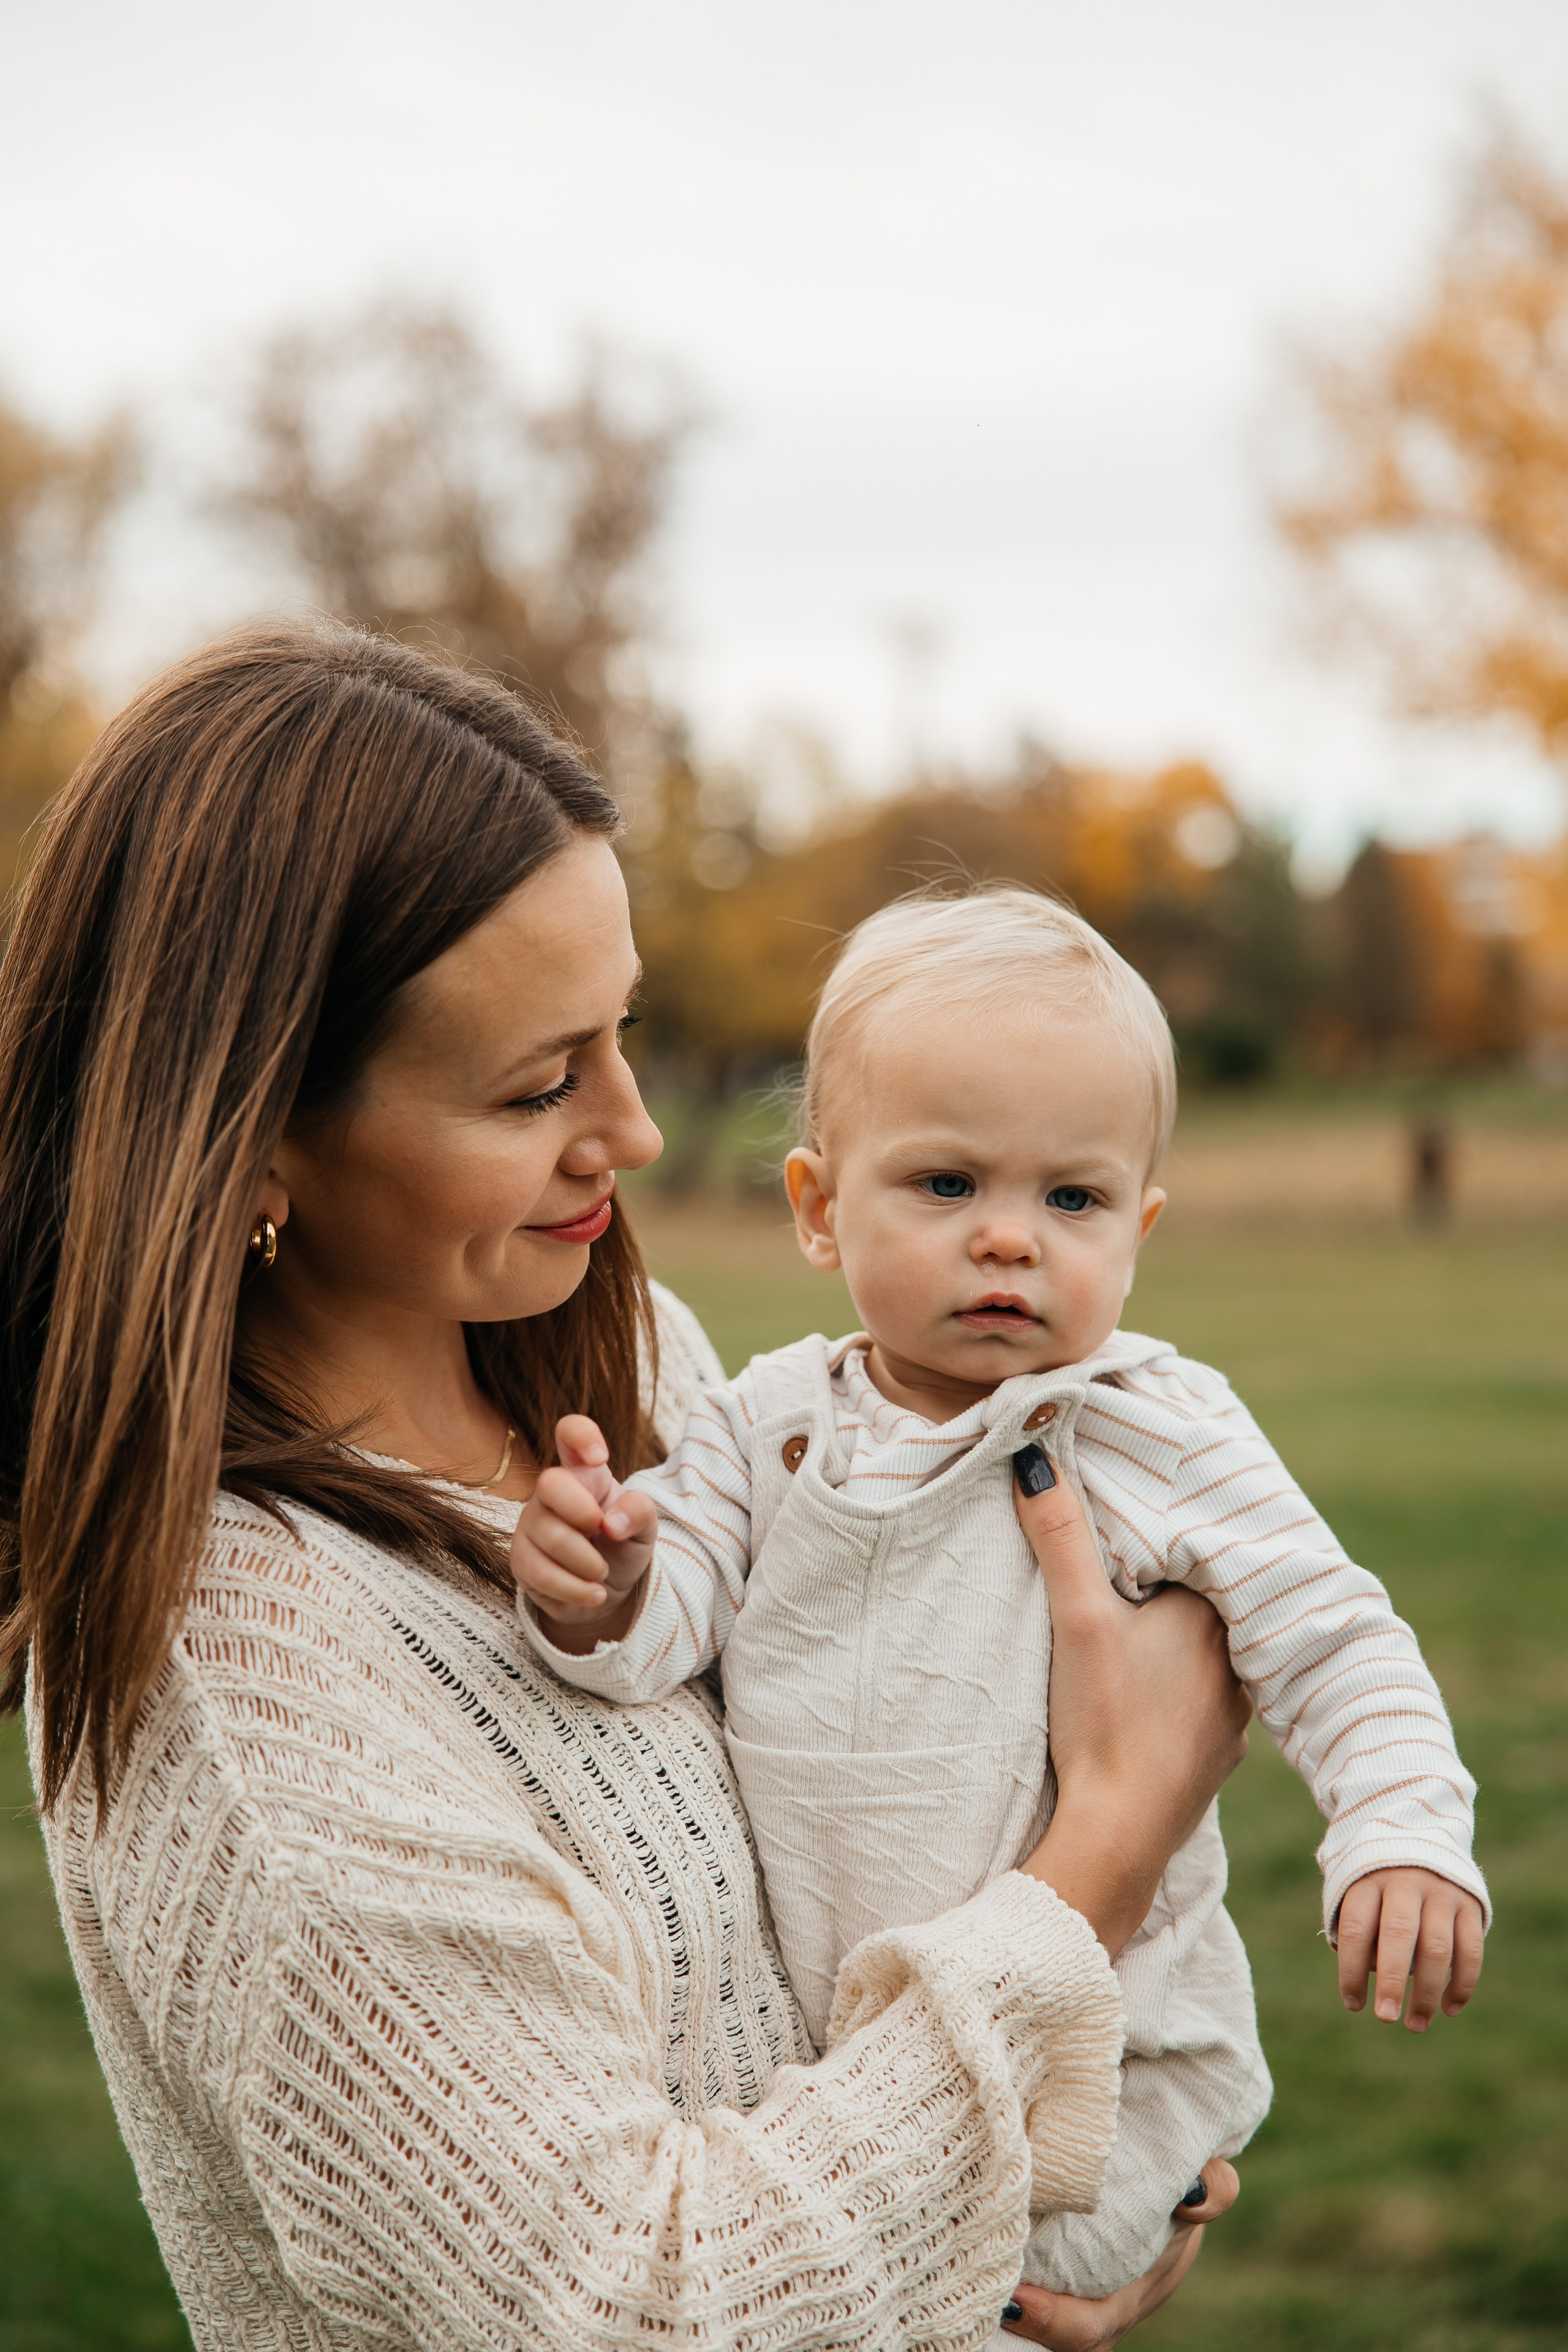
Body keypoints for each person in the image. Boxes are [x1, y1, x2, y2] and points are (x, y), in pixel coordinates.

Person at [0, 624, 1250, 2352]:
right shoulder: (237, 1682)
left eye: (621, 1032)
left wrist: (1062, 2218)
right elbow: (637, 2308)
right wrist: (1106, 1849)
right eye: (536, 1085)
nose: (639, 1129)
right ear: (256, 1134)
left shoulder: (639, 1371)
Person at [514, 886, 1490, 2307]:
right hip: (838, 2043)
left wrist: (1400, 1826)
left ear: (1138, 1227)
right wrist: (604, 1586)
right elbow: (668, 1629)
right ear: (816, 1207)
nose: (1009, 1239)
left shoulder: (1148, 1425)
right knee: (866, 2285)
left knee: (1033, 2275)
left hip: (1109, 2028)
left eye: (1071, 1199)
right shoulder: (766, 1422)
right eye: (947, 1185)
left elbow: (1332, 1633)